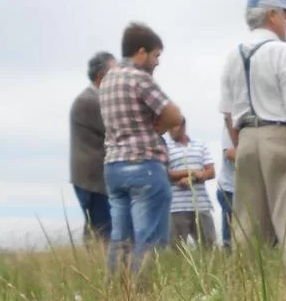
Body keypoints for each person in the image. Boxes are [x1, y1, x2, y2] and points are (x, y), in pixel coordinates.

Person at [219, 0, 286, 268]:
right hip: (283, 137)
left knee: (247, 222)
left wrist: (241, 143)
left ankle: (245, 288)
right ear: (272, 14)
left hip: (246, 140)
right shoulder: (283, 52)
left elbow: (228, 114)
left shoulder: (231, 56)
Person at [99, 23, 182, 275]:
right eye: (156, 55)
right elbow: (174, 115)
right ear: (142, 52)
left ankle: (117, 293)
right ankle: (143, 294)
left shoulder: (107, 80)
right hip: (144, 164)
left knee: (121, 238)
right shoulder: (139, 78)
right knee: (149, 237)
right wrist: (158, 129)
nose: (157, 62)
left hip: (114, 165)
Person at [70, 51, 116, 243]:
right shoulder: (89, 101)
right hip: (92, 180)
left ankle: (95, 266)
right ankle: (95, 267)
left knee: (99, 228)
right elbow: (114, 129)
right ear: (100, 76)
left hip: (95, 178)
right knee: (101, 229)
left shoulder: (94, 99)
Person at [165, 119, 217, 247]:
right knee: (177, 248)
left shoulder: (200, 145)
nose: (170, 131)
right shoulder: (165, 148)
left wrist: (193, 178)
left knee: (209, 246)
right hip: (177, 206)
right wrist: (192, 171)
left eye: (173, 127)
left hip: (201, 205)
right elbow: (166, 173)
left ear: (182, 126)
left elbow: (210, 171)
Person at [216, 126, 235, 249]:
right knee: (230, 238)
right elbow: (229, 153)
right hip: (230, 189)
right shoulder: (231, 124)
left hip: (246, 187)